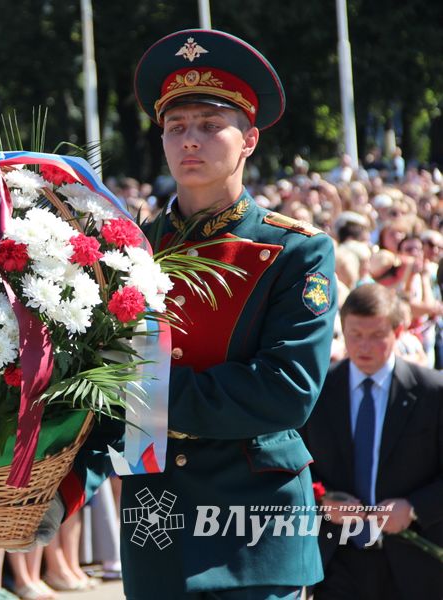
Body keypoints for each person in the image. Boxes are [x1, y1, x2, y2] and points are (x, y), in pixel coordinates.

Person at [59, 29, 337, 599]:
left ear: (250, 139)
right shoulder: (127, 248)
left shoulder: (296, 251)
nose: (191, 141)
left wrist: (143, 395)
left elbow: (286, 391)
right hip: (155, 518)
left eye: (211, 126)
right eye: (176, 127)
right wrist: (58, 485)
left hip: (253, 525)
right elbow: (94, 384)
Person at [303, 284, 442, 599]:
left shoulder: (432, 392)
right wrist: (323, 501)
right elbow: (296, 462)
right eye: (355, 334)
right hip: (338, 554)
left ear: (399, 330)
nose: (364, 346)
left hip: (413, 558)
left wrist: (415, 507)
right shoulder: (319, 391)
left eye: (377, 335)